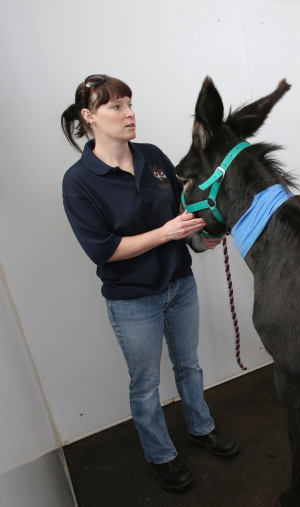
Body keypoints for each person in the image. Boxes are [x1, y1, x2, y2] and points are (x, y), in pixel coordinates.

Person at [61, 75, 239, 493]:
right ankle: (161, 455)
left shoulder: (153, 157)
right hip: (132, 300)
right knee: (145, 384)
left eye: (129, 103)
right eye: (116, 107)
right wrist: (167, 233)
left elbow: (184, 208)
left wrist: (203, 235)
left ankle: (201, 428)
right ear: (89, 117)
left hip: (179, 284)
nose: (129, 113)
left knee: (189, 366)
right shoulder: (79, 181)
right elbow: (103, 249)